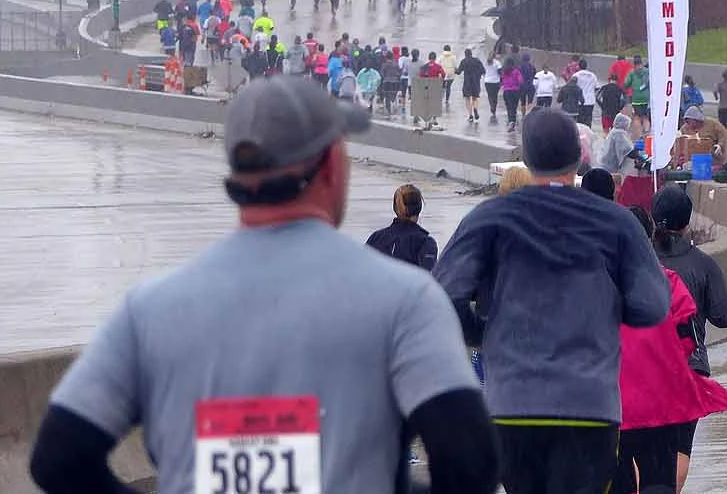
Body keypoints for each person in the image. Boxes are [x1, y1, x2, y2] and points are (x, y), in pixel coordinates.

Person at [29, 77, 497, 494]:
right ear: (332, 165)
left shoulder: (149, 309)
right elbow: (470, 465)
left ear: (237, 170)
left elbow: (58, 459)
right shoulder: (406, 302)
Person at [434, 110, 670, 494]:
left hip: (512, 405)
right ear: (578, 157)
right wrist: (603, 312)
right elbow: (653, 304)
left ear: (526, 159)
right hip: (589, 406)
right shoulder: (615, 222)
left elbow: (442, 295)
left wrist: (483, 329)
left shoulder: (490, 218)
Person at [612, 205, 727, 494]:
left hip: (613, 409)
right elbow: (687, 340)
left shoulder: (596, 287)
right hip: (660, 405)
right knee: (658, 481)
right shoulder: (667, 282)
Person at [651, 187, 727, 488]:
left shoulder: (640, 264)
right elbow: (726, 317)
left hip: (646, 368)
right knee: (680, 447)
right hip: (690, 366)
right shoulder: (703, 264)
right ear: (687, 223)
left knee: (645, 448)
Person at [365, 184, 438, 271]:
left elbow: (361, 270)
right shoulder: (424, 242)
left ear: (395, 208)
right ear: (419, 207)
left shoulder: (375, 238)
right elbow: (429, 277)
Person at [457, 49, 487, 124]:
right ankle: (475, 108)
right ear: (471, 54)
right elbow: (483, 71)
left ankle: (470, 116)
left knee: (467, 98)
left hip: (467, 82)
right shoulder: (477, 60)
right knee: (475, 97)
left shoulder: (464, 61)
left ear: (465, 54)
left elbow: (458, 72)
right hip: (476, 82)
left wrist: (454, 70)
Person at [572, 59, 600, 127]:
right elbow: (597, 88)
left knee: (579, 121)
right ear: (586, 66)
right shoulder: (592, 75)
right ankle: (588, 134)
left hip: (579, 101)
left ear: (578, 66)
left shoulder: (576, 75)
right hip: (590, 101)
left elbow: (572, 87)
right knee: (588, 120)